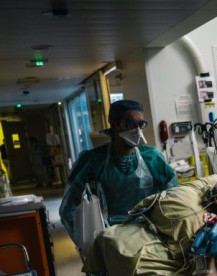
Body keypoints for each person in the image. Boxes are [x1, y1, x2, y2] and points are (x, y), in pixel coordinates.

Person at [60, 99, 177, 241]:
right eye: (130, 124)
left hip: (150, 234)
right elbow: (69, 210)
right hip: (110, 238)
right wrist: (89, 245)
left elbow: (174, 196)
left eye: (141, 124)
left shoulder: (152, 158)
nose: (137, 130)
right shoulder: (92, 161)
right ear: (114, 124)